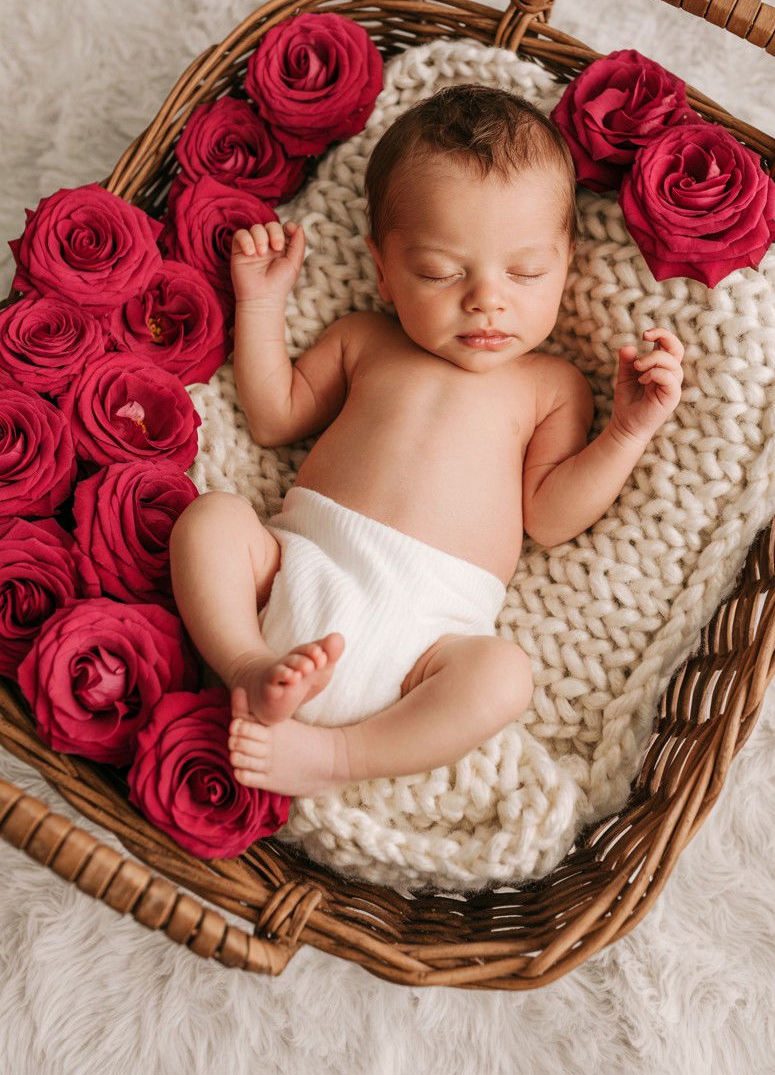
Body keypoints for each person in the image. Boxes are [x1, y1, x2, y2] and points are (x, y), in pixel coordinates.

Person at [167, 83, 685, 797]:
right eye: (440, 273)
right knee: (213, 518)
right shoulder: (365, 341)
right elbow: (273, 417)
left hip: (430, 638)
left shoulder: (551, 386)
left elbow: (550, 516)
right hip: (298, 565)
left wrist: (629, 429)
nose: (486, 299)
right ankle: (246, 665)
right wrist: (261, 302)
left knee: (504, 675)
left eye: (526, 272)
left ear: (565, 265)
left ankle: (340, 756)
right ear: (383, 268)